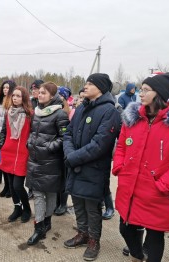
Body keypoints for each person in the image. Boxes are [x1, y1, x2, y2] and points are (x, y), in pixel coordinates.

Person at [112, 73, 169, 262]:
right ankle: (137, 255)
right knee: (125, 228)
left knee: (155, 237)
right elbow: (122, 146)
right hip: (131, 189)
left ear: (159, 93)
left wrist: (163, 184)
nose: (140, 93)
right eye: (140, 89)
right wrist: (119, 166)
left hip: (158, 193)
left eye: (145, 90)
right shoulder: (132, 118)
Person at [63, 73, 121, 261]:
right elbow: (68, 134)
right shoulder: (81, 108)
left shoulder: (109, 111)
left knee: (92, 208)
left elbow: (100, 145)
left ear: (101, 88)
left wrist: (73, 158)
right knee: (78, 203)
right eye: (86, 83)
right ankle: (83, 233)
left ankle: (94, 240)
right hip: (75, 166)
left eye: (90, 83)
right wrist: (71, 155)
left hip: (94, 169)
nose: (85, 86)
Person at [26, 82, 69, 245]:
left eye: (43, 93)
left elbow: (64, 137)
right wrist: (29, 143)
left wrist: (49, 147)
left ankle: (47, 221)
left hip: (51, 160)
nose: (40, 94)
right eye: (39, 92)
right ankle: (39, 228)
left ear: (52, 95)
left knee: (50, 194)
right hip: (35, 158)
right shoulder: (36, 112)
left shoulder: (60, 114)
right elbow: (32, 132)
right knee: (37, 193)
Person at [0, 86, 33, 223]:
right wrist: (1, 144)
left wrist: (29, 146)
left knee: (18, 185)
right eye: (13, 96)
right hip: (8, 152)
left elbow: (33, 133)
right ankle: (17, 208)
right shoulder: (9, 112)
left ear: (24, 98)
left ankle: (27, 209)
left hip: (22, 153)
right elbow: (4, 131)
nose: (15, 98)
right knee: (12, 186)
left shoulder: (30, 114)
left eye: (18, 96)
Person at [0, 80, 16, 196]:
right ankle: (6, 186)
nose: (5, 90)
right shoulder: (0, 103)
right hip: (0, 138)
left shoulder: (14, 103)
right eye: (4, 88)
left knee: (8, 164)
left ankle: (11, 188)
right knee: (1, 163)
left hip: (9, 139)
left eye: (7, 88)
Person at [53, 86, 72, 216]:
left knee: (63, 178)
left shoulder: (67, 112)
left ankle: (63, 204)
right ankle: (57, 202)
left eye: (60, 95)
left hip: (63, 149)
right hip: (54, 149)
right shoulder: (53, 110)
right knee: (56, 178)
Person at [27, 79, 44, 200]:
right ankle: (31, 189)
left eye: (36, 89)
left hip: (43, 138)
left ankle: (41, 190)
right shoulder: (30, 102)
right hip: (31, 136)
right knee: (31, 166)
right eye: (32, 89)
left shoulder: (46, 103)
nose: (34, 91)